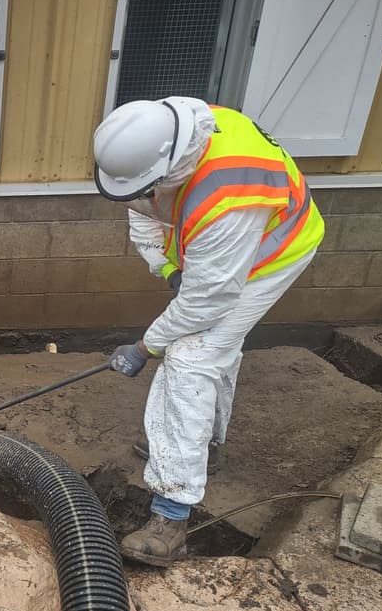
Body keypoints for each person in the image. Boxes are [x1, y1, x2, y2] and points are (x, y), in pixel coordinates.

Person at [93, 97, 324, 566]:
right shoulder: (160, 140)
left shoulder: (229, 196)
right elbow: (141, 213)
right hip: (219, 260)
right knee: (205, 347)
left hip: (269, 256)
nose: (138, 200)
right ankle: (204, 446)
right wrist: (167, 270)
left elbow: (209, 300)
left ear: (170, 171)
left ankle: (171, 518)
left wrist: (145, 346)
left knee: (191, 357)